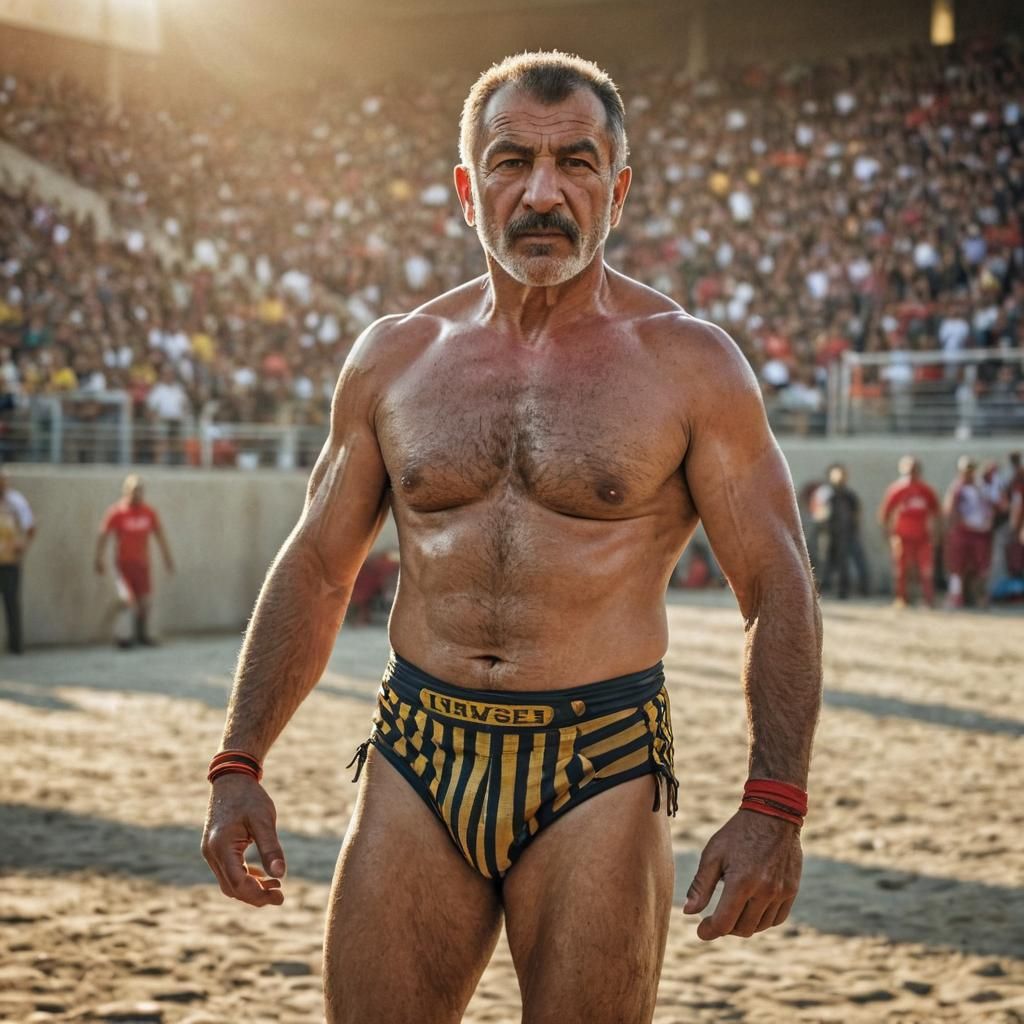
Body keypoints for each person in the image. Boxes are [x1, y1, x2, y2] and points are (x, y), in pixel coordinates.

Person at [201, 52, 823, 1024]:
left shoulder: (689, 365)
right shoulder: (396, 357)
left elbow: (777, 587)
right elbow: (318, 567)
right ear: (467, 189)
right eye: (509, 163)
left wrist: (775, 802)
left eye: (575, 163)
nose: (541, 193)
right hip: (418, 748)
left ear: (617, 191)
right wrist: (239, 759)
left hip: (599, 760)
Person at [94, 474, 174, 647]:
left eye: (140, 490)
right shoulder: (117, 512)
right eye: (134, 490)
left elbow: (160, 535)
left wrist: (167, 558)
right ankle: (121, 635)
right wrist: (98, 558)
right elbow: (103, 535)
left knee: (145, 603)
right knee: (128, 600)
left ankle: (142, 635)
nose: (137, 494)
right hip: (124, 565)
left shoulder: (149, 512)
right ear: (126, 491)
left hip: (142, 565)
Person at [878, 456, 941, 607]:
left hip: (923, 537)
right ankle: (902, 598)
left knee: (926, 569)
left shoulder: (926, 490)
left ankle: (928, 600)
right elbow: (885, 514)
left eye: (914, 470)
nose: (911, 474)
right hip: (902, 536)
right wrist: (888, 534)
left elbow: (937, 513)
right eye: (908, 471)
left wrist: (938, 534)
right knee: (901, 569)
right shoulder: (897, 489)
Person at [943, 455, 998, 609]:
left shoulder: (981, 488)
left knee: (981, 567)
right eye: (966, 470)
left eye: (971, 469)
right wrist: (962, 524)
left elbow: (990, 507)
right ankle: (956, 597)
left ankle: (980, 597)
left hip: (980, 534)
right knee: (957, 566)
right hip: (962, 532)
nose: (969, 473)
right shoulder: (957, 489)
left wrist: (988, 522)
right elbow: (951, 511)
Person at [820, 464, 870, 599]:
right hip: (830, 534)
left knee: (849, 563)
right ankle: (823, 589)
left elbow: (857, 513)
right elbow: (820, 513)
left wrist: (854, 529)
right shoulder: (826, 494)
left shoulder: (850, 496)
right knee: (826, 563)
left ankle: (852, 590)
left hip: (848, 534)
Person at [0, 467, 35, 653]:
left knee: (11, 602)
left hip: (9, 561)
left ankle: (15, 645)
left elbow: (30, 527)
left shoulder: (15, 501)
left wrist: (22, 546)